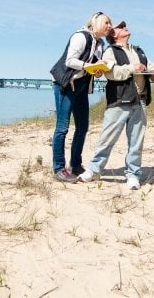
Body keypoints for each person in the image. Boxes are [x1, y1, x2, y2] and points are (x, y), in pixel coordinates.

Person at [78, 20, 154, 190]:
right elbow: (111, 74)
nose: (125, 26)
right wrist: (133, 68)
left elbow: (151, 70)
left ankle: (133, 175)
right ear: (113, 34)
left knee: (136, 142)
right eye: (120, 26)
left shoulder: (139, 51)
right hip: (119, 101)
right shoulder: (110, 51)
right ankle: (94, 170)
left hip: (140, 101)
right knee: (107, 138)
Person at [48, 11, 112, 182]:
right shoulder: (81, 36)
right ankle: (59, 168)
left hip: (82, 87)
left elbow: (92, 68)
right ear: (96, 21)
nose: (109, 26)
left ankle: (75, 164)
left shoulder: (100, 44)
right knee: (62, 127)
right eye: (107, 22)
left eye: (110, 24)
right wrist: (89, 65)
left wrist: (98, 71)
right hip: (65, 84)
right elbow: (70, 61)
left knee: (82, 127)